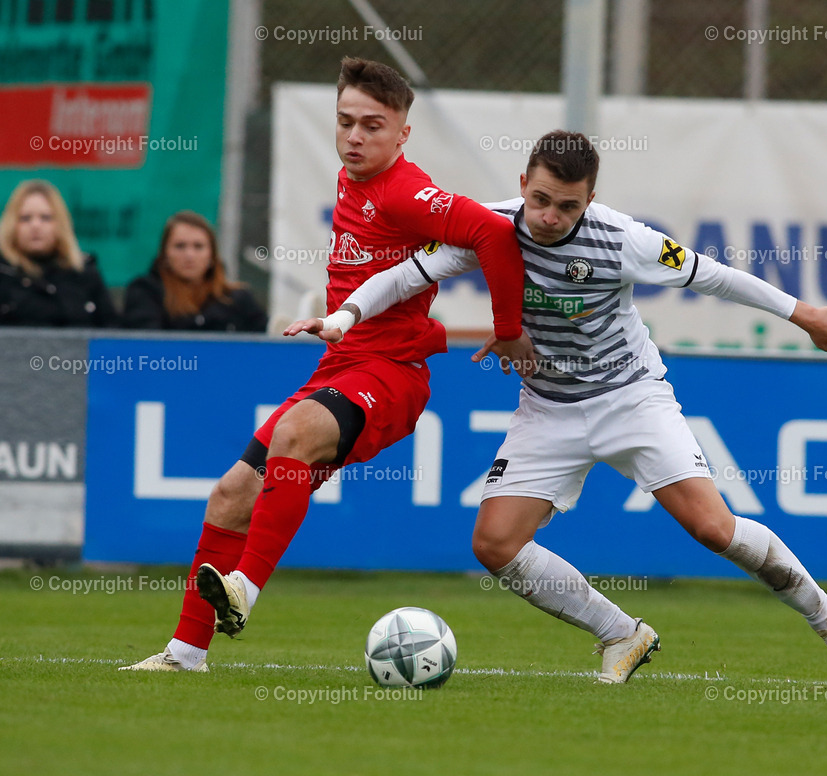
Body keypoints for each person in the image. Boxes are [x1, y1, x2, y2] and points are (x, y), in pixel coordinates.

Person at [327, 130, 827, 690]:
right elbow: (402, 276)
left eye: (568, 206)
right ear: (522, 186)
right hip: (548, 408)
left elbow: (711, 275)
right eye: (540, 199)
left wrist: (801, 312)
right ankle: (621, 633)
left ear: (589, 200)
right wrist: (343, 318)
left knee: (714, 529)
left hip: (631, 398)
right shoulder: (487, 226)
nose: (549, 216)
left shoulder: (624, 239)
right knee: (494, 545)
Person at [121, 57, 533, 672]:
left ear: (402, 134)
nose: (355, 137)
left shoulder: (404, 191)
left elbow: (494, 236)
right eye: (345, 123)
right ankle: (185, 654)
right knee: (232, 494)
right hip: (343, 364)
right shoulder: (353, 178)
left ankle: (245, 590)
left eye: (372, 125)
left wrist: (508, 331)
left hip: (391, 373)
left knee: (293, 435)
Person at [123, 211, 268, 332]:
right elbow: (146, 346)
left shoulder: (238, 299)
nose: (189, 255)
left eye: (198, 246)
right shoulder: (145, 292)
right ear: (165, 254)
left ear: (212, 255)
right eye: (180, 246)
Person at [0, 179, 118, 327]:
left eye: (46, 218)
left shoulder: (85, 275)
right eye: (25, 218)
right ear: (11, 225)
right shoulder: (3, 275)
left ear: (60, 224)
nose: (35, 225)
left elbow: (112, 336)